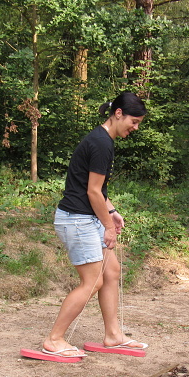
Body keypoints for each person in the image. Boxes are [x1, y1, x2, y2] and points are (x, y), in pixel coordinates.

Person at [42, 92, 149, 359]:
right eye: (134, 122)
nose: (135, 128)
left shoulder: (103, 140)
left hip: (86, 217)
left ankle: (113, 335)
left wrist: (111, 212)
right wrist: (109, 227)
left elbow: (97, 190)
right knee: (92, 282)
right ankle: (54, 340)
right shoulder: (101, 143)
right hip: (77, 219)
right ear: (118, 113)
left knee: (111, 271)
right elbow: (92, 192)